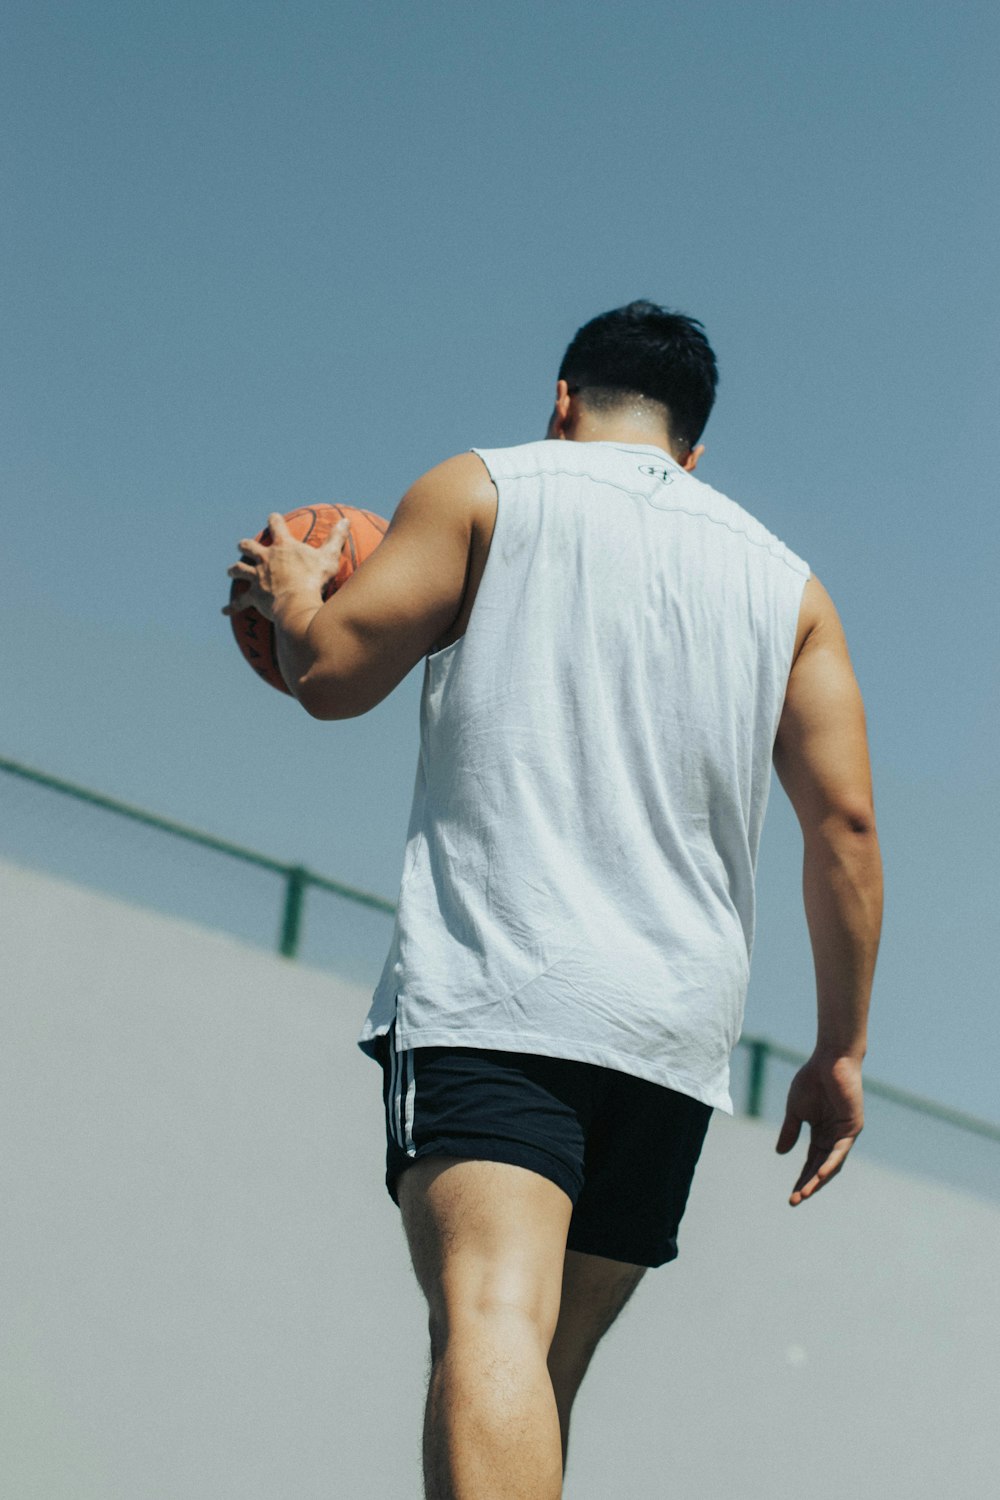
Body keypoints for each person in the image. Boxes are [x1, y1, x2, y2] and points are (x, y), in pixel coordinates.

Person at [225, 300, 884, 1500]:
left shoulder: (484, 488)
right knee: (539, 1366)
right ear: (690, 449)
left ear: (564, 400)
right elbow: (842, 825)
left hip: (505, 989)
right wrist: (840, 1050)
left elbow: (329, 674)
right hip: (672, 1033)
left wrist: (292, 584)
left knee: (488, 1321)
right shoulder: (787, 585)